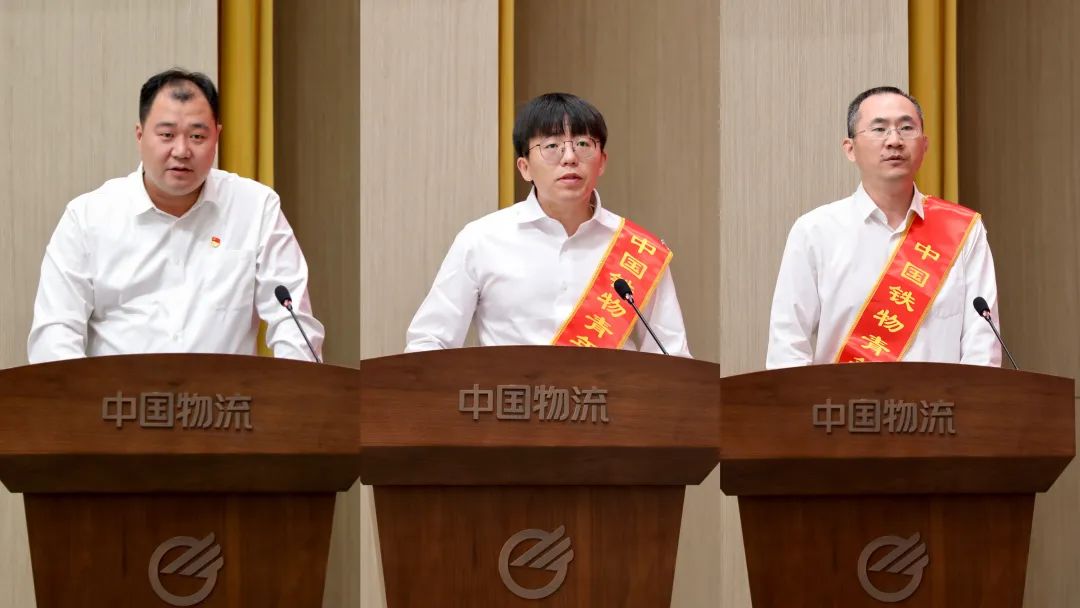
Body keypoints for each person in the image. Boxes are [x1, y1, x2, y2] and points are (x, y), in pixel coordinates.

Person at [28, 68, 323, 363]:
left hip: (225, 393)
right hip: (119, 393)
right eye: (167, 135)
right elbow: (55, 333)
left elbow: (293, 324)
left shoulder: (257, 208)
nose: (181, 151)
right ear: (140, 135)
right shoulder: (87, 218)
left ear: (217, 137)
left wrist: (295, 388)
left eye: (197, 136)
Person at [405, 92, 690, 356]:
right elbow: (429, 343)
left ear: (602, 161)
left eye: (583, 144)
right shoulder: (481, 239)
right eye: (552, 146)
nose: (570, 158)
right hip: (510, 395)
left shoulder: (639, 252)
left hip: (608, 396)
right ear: (525, 167)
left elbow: (672, 358)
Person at [766, 86, 1000, 368]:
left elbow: (982, 345)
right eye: (879, 129)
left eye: (906, 128)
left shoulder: (962, 230)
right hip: (845, 398)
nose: (894, 141)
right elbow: (787, 346)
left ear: (925, 145)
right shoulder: (815, 231)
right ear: (850, 149)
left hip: (940, 398)